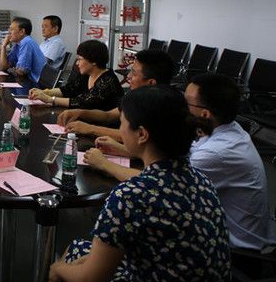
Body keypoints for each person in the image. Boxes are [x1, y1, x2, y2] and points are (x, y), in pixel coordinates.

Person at [22, 86, 230, 282]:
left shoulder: (130, 196)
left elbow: (92, 280)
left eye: (122, 123)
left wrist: (58, 269)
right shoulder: (202, 181)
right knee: (79, 250)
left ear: (142, 135)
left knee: (67, 268)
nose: (119, 130)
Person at [85, 73, 274, 251]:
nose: (181, 106)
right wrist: (126, 149)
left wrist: (104, 164)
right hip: (204, 225)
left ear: (205, 114)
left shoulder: (216, 153)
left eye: (187, 102)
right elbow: (170, 159)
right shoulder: (221, 129)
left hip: (228, 246)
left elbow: (158, 181)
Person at [57, 49, 174, 140]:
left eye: (133, 73)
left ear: (151, 83)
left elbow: (133, 136)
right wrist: (80, 112)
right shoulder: (134, 96)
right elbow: (108, 115)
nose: (128, 76)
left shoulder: (161, 107)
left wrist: (90, 129)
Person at [30, 40, 123, 111]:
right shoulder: (86, 74)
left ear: (94, 61)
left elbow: (81, 102)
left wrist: (50, 99)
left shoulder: (108, 81)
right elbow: (68, 89)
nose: (77, 63)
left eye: (80, 59)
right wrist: (45, 92)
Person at [0, 17, 47, 83]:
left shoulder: (26, 42)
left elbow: (21, 71)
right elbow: (3, 67)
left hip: (37, 84)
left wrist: (14, 69)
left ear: (22, 32)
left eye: (12, 29)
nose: (9, 32)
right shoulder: (18, 44)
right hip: (27, 80)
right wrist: (3, 46)